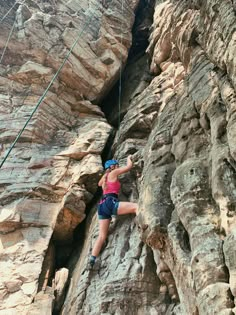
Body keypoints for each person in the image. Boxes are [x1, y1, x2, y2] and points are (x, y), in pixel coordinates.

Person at [89, 155, 138, 267]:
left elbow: (100, 184)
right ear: (112, 167)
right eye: (116, 165)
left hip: (102, 206)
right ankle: (144, 224)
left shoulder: (104, 179)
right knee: (136, 207)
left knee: (102, 236)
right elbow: (129, 166)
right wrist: (129, 157)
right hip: (111, 202)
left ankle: (92, 260)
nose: (117, 166)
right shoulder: (113, 173)